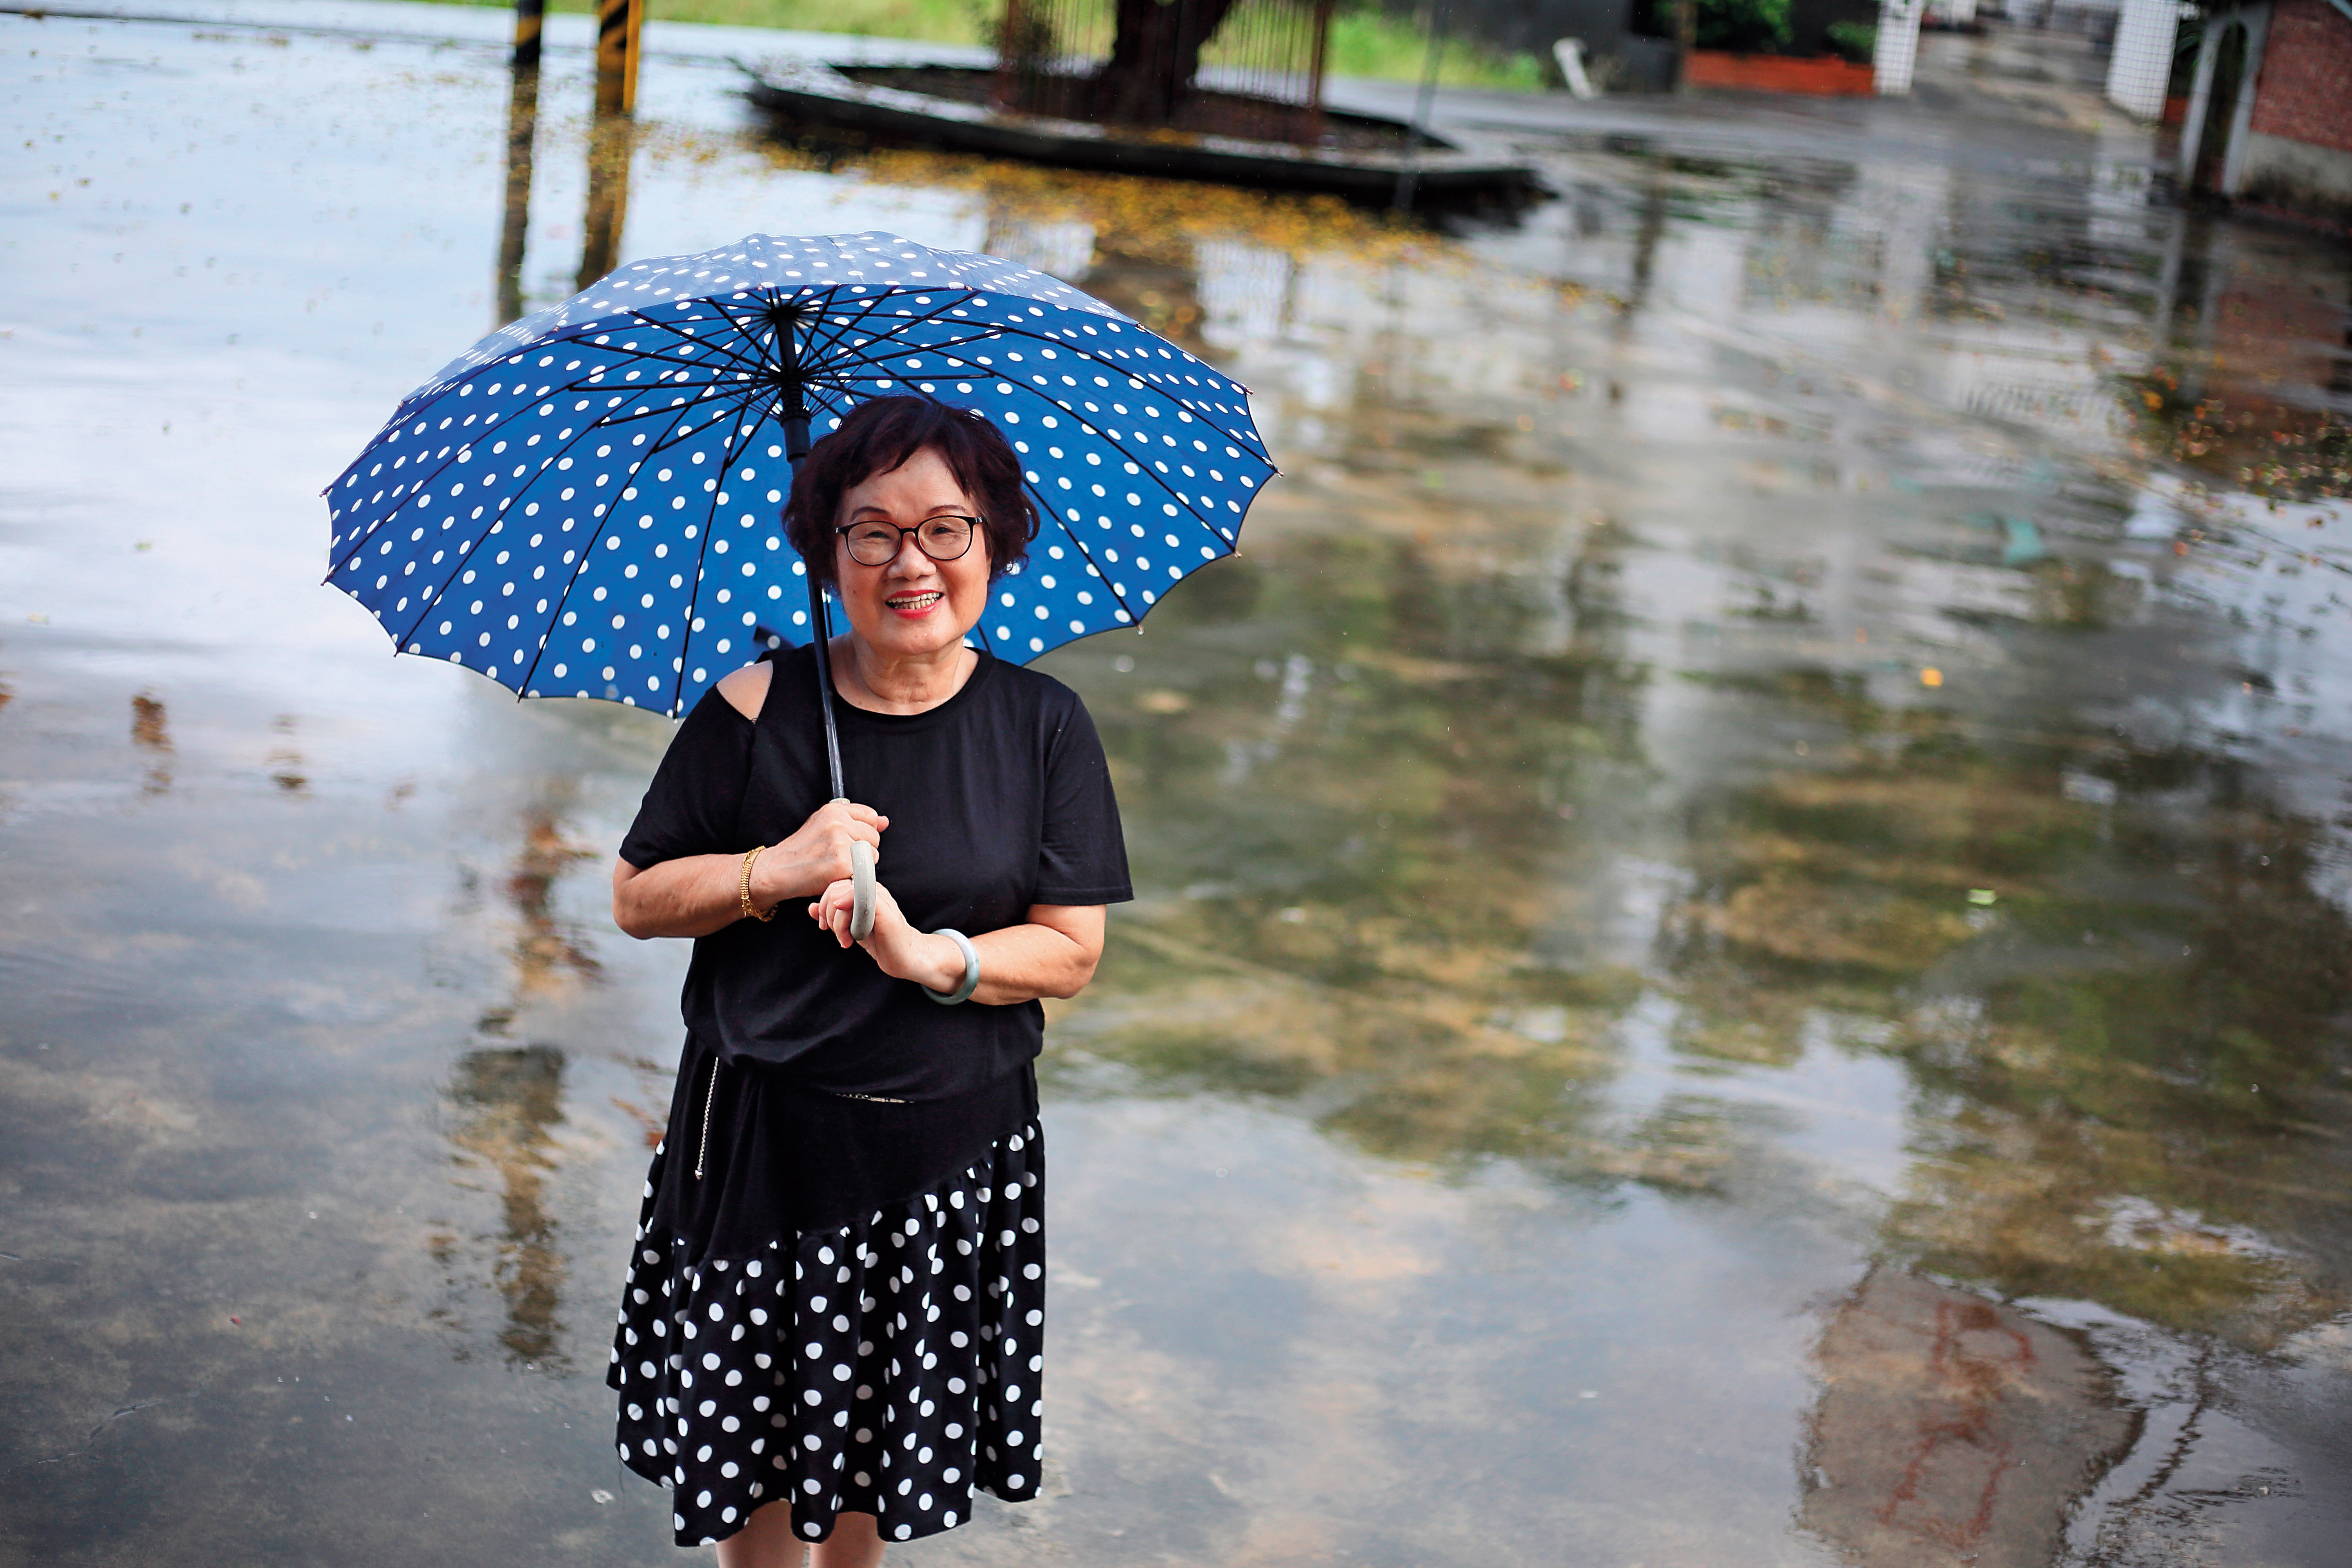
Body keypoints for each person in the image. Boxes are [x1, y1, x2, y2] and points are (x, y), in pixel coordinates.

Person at [605, 396, 1131, 1565]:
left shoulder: (1044, 725)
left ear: (996, 541)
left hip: (942, 1157)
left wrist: (927, 956)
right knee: (755, 1464)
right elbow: (638, 897)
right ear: (824, 549)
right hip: (761, 1141)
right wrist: (773, 869)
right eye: (871, 531)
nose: (912, 562)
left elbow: (1073, 950)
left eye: (947, 528)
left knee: (872, 1468)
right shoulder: (751, 708)